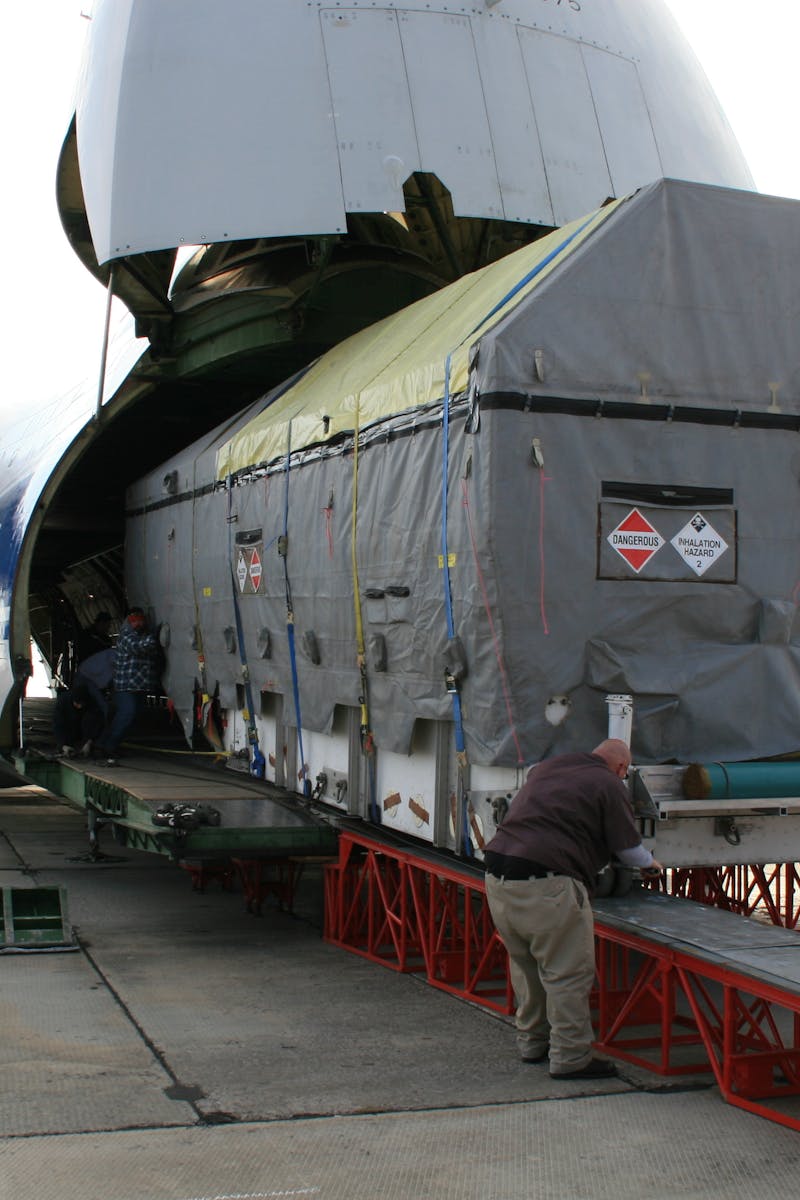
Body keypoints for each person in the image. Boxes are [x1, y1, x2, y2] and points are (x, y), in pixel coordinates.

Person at [483, 738, 663, 1081]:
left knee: (526, 966)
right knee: (567, 972)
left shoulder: (548, 768)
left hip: (498, 874)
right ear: (622, 768)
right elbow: (628, 849)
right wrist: (652, 864)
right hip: (548, 882)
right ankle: (570, 1057)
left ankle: (532, 1043)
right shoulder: (609, 783)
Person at [95, 607, 161, 765]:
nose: (138, 622)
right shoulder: (126, 636)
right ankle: (107, 746)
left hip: (139, 686)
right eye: (134, 619)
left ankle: (105, 744)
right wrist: (156, 635)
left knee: (129, 717)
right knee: (127, 714)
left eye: (140, 619)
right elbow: (141, 647)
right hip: (125, 686)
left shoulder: (141, 636)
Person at [52, 684, 105, 757]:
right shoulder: (63, 702)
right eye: (77, 704)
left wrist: (89, 742)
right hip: (69, 727)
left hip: (83, 727)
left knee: (91, 719)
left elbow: (97, 724)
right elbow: (57, 724)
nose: (79, 706)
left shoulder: (92, 704)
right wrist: (62, 745)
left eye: (82, 704)